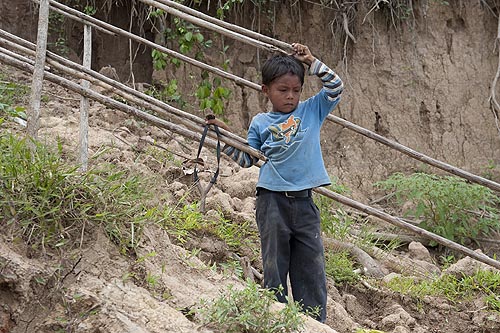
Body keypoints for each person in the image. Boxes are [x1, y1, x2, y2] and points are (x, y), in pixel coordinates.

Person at [207, 42, 343, 323]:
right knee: (274, 268)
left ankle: (313, 324)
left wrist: (312, 61)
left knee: (311, 270)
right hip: (271, 203)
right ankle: (275, 321)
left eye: (295, 90)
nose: (290, 96)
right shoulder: (260, 122)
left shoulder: (311, 111)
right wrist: (225, 136)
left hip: (305, 204)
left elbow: (335, 87)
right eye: (283, 90)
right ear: (265, 90)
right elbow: (247, 160)